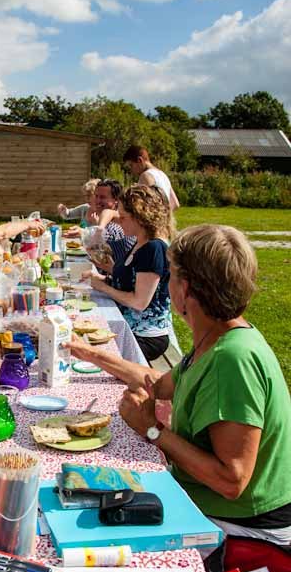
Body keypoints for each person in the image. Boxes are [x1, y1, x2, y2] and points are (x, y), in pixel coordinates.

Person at [71, 224, 291, 545]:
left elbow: (231, 480)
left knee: (93, 525)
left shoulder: (234, 359)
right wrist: (88, 352)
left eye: (170, 273)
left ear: (184, 289)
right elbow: (158, 384)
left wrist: (153, 431)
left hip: (246, 529)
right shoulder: (216, 336)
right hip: (212, 504)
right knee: (84, 490)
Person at [83, 185, 172, 363]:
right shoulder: (140, 241)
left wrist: (102, 286)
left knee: (90, 355)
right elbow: (130, 280)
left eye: (123, 217)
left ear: (140, 218)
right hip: (128, 326)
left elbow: (139, 302)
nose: (119, 221)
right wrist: (104, 277)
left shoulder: (153, 248)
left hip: (145, 335)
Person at [92, 179, 136, 265]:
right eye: (96, 196)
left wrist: (84, 233)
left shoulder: (114, 228)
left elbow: (98, 257)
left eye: (102, 197)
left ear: (116, 200)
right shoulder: (108, 222)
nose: (97, 201)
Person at [123, 145, 180, 211]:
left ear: (139, 160)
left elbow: (145, 205)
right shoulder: (163, 174)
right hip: (163, 219)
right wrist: (164, 215)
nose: (131, 170)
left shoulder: (145, 176)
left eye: (131, 165)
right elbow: (175, 203)